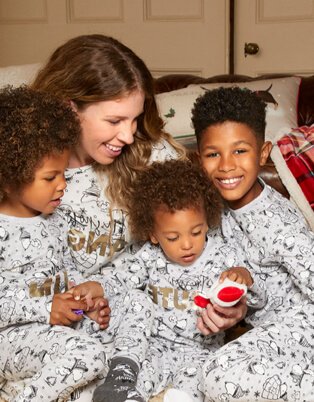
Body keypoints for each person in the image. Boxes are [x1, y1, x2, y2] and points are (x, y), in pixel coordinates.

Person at [73, 159, 265, 402]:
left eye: (196, 232)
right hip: (154, 344)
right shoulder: (150, 257)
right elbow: (120, 279)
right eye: (173, 237)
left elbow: (258, 300)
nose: (187, 244)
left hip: (200, 350)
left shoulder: (223, 256)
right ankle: (119, 383)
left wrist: (245, 277)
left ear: (207, 222)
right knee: (139, 374)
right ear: (153, 235)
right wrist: (95, 287)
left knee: (196, 383)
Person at [192, 86, 314, 401]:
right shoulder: (211, 211)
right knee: (203, 372)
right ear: (199, 158)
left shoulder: (276, 219)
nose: (226, 165)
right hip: (272, 329)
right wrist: (239, 295)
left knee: (218, 374)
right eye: (213, 153)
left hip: (302, 323)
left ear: (262, 153)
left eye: (240, 151)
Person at [0, 85, 108, 402]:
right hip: (9, 340)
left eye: (63, 174)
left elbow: (65, 271)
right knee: (87, 355)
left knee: (105, 360)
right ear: (8, 177)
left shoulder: (55, 218)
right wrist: (45, 308)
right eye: (50, 178)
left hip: (54, 335)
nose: (62, 185)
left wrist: (84, 297)